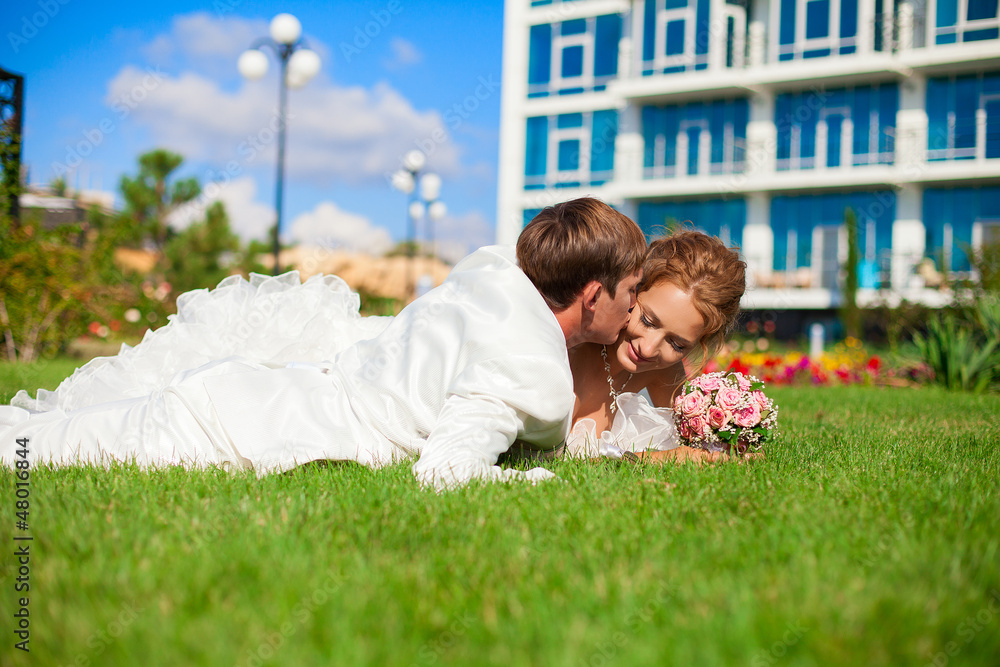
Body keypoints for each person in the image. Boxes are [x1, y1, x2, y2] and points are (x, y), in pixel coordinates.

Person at [0, 197, 645, 490]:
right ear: (591, 295)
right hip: (248, 428)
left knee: (35, 439)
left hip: (256, 393)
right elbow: (447, 474)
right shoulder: (526, 363)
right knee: (29, 450)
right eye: (630, 292)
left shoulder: (492, 279)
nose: (634, 308)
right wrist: (533, 481)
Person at [564, 230, 747, 463]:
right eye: (648, 321)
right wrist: (661, 459)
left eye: (676, 344)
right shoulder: (573, 347)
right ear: (634, 290)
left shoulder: (663, 371)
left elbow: (696, 446)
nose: (648, 349)